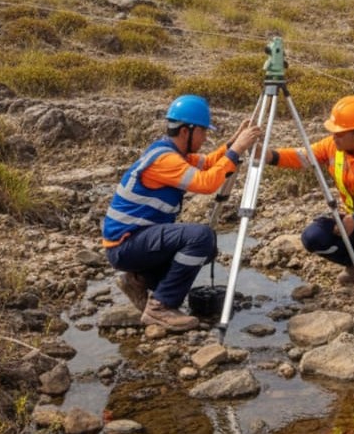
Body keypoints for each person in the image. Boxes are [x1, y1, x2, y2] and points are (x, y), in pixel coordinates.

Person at [102, 94, 262, 331]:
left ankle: (139, 280)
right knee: (202, 237)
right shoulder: (165, 159)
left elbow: (208, 163)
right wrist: (238, 149)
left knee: (205, 250)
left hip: (133, 241)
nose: (205, 137)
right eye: (203, 132)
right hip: (126, 246)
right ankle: (160, 308)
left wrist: (232, 144)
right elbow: (206, 183)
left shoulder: (171, 153)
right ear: (187, 131)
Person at [260, 95, 354, 292]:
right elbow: (303, 157)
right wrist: (270, 155)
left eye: (339, 133)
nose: (334, 137)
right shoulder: (333, 146)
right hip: (352, 220)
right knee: (313, 237)